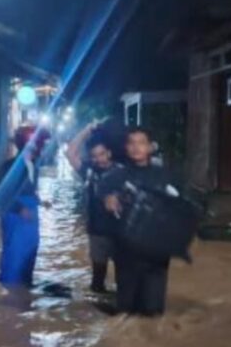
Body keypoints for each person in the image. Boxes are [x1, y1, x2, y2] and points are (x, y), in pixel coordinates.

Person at [102, 127, 180, 316]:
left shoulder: (165, 176)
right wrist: (108, 200)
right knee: (126, 309)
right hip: (126, 251)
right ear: (126, 147)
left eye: (141, 143)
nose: (136, 147)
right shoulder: (115, 176)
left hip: (156, 252)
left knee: (153, 311)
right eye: (132, 143)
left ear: (150, 147)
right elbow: (104, 199)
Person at [66, 120, 124, 293]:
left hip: (121, 234)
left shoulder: (122, 171)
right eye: (95, 156)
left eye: (102, 154)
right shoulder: (90, 171)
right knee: (97, 281)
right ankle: (98, 305)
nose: (99, 159)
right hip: (97, 233)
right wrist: (86, 130)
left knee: (124, 278)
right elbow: (70, 153)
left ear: (109, 153)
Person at [0, 125, 50, 301]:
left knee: (31, 249)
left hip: (30, 215)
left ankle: (25, 289)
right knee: (14, 253)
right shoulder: (10, 167)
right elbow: (1, 195)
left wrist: (39, 201)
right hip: (14, 217)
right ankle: (11, 295)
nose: (41, 148)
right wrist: (20, 208)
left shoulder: (33, 165)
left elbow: (27, 189)